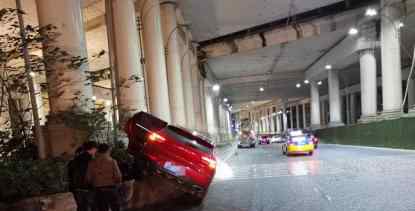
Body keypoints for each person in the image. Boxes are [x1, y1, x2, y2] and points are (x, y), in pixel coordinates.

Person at [86, 143, 122, 211]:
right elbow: (118, 176)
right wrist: (118, 184)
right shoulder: (112, 161)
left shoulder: (92, 162)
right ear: (108, 150)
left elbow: (88, 178)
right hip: (111, 188)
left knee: (102, 208)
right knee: (115, 207)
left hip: (98, 190)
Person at [68, 141, 98, 211]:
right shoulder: (92, 160)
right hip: (89, 187)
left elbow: (70, 173)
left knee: (81, 207)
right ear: (93, 149)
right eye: (96, 149)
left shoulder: (74, 160)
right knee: (93, 206)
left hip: (76, 188)